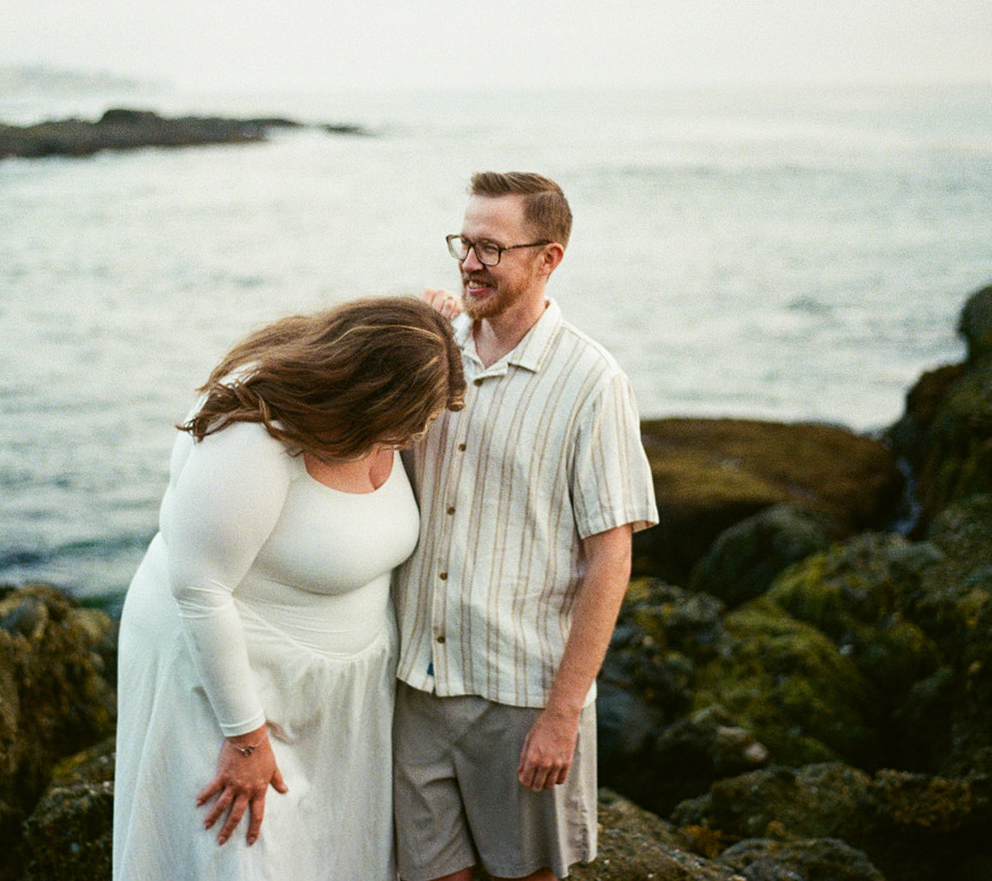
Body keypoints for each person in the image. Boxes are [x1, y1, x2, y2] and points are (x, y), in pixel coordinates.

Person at [113, 297, 466, 880]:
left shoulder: (379, 412)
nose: (418, 434)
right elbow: (200, 590)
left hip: (340, 697)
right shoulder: (254, 436)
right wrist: (245, 740)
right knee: (242, 854)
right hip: (228, 685)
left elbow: (400, 349)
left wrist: (438, 331)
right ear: (369, 395)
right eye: (412, 419)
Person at [393, 172, 659, 881]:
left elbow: (611, 558)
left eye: (490, 247)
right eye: (463, 243)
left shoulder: (593, 383)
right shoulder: (430, 352)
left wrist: (562, 715)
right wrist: (410, 328)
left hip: (521, 698)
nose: (469, 262)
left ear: (548, 258)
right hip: (414, 686)